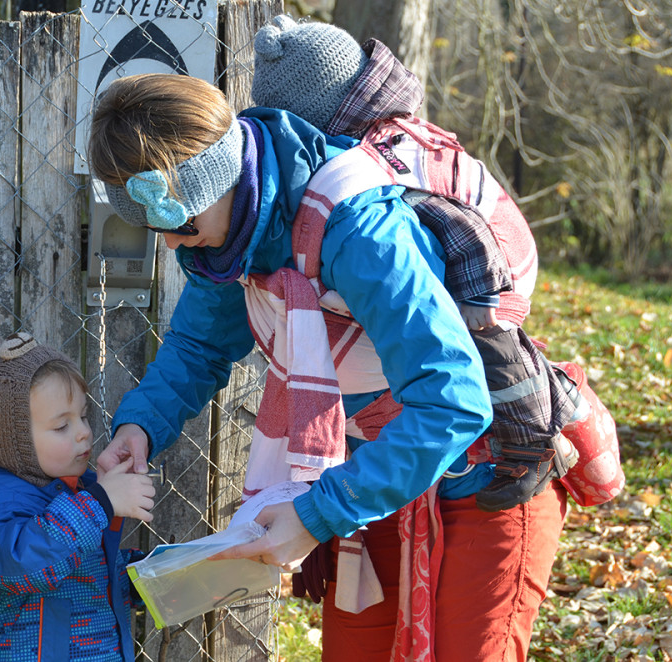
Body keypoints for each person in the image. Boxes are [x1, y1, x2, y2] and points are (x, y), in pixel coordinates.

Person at [87, 72, 553, 662]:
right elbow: (199, 347)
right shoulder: (234, 240)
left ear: (224, 178)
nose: (174, 248)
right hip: (378, 477)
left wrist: (316, 514)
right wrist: (141, 426)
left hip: (482, 475)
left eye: (179, 226)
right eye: (155, 232)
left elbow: (453, 400)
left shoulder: (357, 228)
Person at [250, 14, 588, 514]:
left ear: (312, 121)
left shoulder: (375, 166)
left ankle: (531, 439)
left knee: (481, 343)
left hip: (487, 276)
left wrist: (479, 300)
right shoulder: (356, 157)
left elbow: (464, 229)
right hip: (456, 279)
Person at [0, 331, 155, 662]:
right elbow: (23, 566)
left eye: (83, 416)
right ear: (12, 441)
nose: (85, 431)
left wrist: (142, 574)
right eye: (62, 426)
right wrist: (100, 503)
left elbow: (79, 575)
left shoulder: (75, 493)